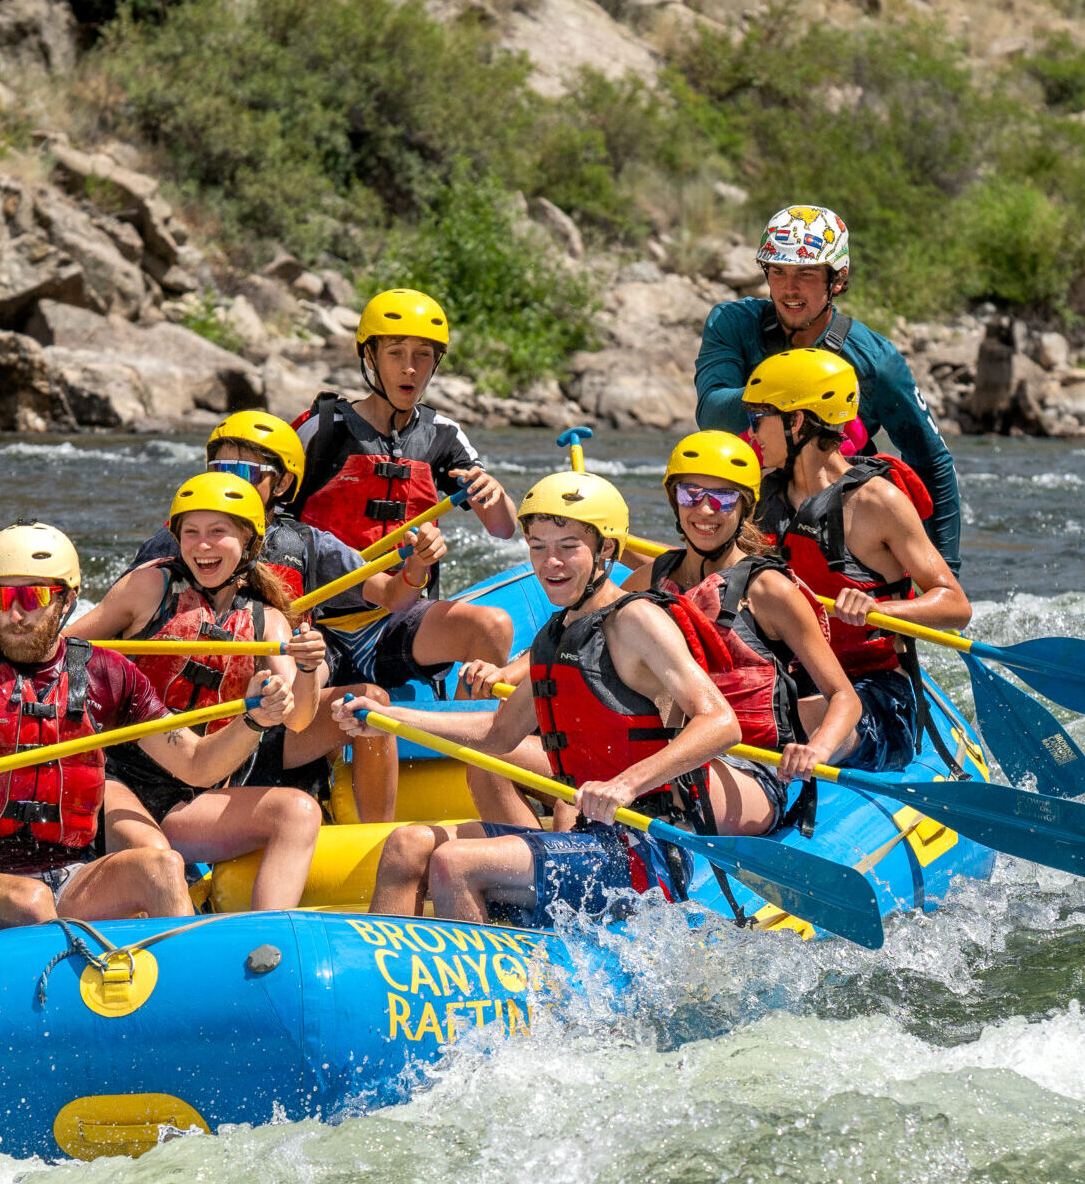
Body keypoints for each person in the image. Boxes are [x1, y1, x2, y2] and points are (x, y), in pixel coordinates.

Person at [339, 472, 786, 924]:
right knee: (406, 846)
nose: (550, 562)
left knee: (455, 863)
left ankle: (481, 990)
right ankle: (387, 986)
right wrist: (388, 716)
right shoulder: (556, 633)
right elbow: (497, 732)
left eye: (568, 546)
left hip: (643, 848)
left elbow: (720, 722)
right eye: (538, 546)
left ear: (606, 550)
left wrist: (627, 784)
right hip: (589, 836)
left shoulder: (636, 620)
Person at [0, 522, 296, 938]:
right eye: (0, 597)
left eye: (32, 598)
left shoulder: (108, 675)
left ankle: (190, 996)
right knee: (30, 901)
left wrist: (253, 719)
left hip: (72, 875)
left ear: (67, 600)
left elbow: (197, 765)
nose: (14, 614)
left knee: (161, 867)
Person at [123, 410, 448, 821]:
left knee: (367, 700)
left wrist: (417, 567)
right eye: (220, 468)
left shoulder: (307, 543)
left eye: (246, 471)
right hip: (184, 722)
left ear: (283, 483)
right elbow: (124, 621)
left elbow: (394, 594)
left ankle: (373, 834)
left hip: (278, 708)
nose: (231, 480)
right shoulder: (176, 540)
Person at [65, 474, 327, 910]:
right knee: (157, 858)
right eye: (191, 533)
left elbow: (298, 719)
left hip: (193, 793)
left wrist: (305, 668)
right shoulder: (151, 587)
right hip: (115, 775)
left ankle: (266, 940)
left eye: (217, 533)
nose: (202, 546)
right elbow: (65, 649)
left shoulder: (268, 622)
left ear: (249, 543)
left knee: (299, 812)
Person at [692, 205, 963, 568]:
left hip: (836, 532)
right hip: (747, 516)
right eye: (778, 272)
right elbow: (712, 414)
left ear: (836, 279)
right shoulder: (732, 323)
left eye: (806, 273)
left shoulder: (876, 361)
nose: (789, 288)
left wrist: (945, 576)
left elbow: (933, 463)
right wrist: (788, 391)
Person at [745, 348, 972, 773]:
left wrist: (879, 610)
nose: (752, 431)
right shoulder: (759, 500)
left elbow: (955, 605)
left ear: (797, 422)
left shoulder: (876, 501)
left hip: (877, 690)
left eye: (760, 418)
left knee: (785, 719)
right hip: (795, 675)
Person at [622, 429, 864, 824]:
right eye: (690, 495)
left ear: (744, 508)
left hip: (750, 767)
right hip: (665, 752)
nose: (704, 510)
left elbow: (844, 696)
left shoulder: (769, 590)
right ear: (674, 501)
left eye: (722, 498)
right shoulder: (654, 576)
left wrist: (816, 749)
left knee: (667, 780)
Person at [290, 289, 517, 693]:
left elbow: (502, 530)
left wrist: (494, 493)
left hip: (398, 618)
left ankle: (472, 739)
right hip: (315, 621)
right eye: (396, 353)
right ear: (370, 356)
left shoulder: (443, 435)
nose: (409, 369)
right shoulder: (321, 429)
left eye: (423, 356)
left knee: (493, 626)